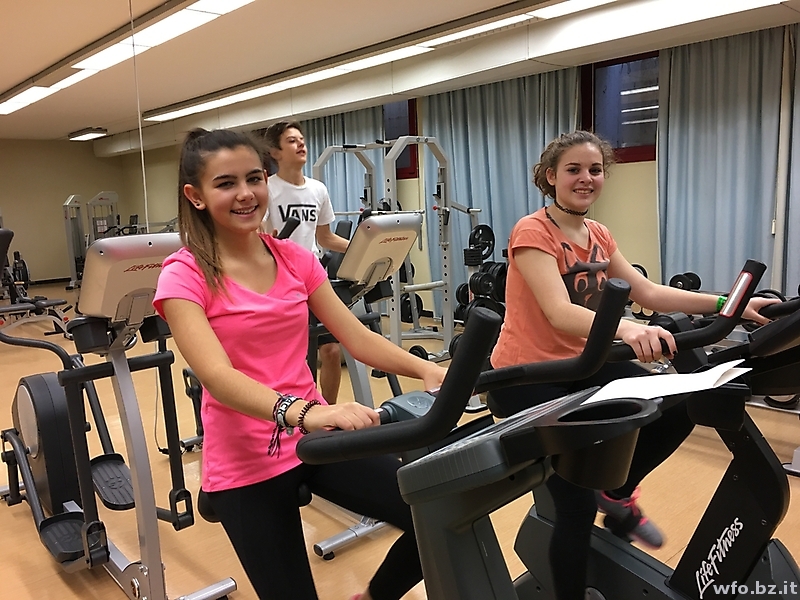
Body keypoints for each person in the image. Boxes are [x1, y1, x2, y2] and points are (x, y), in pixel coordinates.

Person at [154, 128, 446, 600]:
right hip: (247, 462)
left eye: (254, 178)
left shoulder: (294, 259)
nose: (246, 193)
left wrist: (428, 369)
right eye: (226, 183)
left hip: (314, 441)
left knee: (435, 513)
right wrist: (304, 412)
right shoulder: (183, 274)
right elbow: (218, 377)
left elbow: (357, 337)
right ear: (196, 196)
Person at [487, 130, 776, 600]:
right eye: (573, 170)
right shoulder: (533, 231)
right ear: (550, 177)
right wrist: (626, 329)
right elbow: (559, 312)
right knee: (574, 504)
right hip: (530, 377)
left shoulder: (599, 234)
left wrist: (731, 304)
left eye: (595, 169)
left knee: (685, 401)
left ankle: (617, 493)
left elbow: (649, 293)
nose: (586, 178)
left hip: (583, 365)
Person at [263, 120, 349, 405]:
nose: (301, 144)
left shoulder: (318, 189)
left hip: (313, 277)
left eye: (301, 139)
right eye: (291, 140)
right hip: (279, 278)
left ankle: (328, 413)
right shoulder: (267, 189)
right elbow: (257, 234)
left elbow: (325, 237)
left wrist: (362, 249)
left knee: (331, 350)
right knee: (294, 357)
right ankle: (296, 411)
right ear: (275, 152)